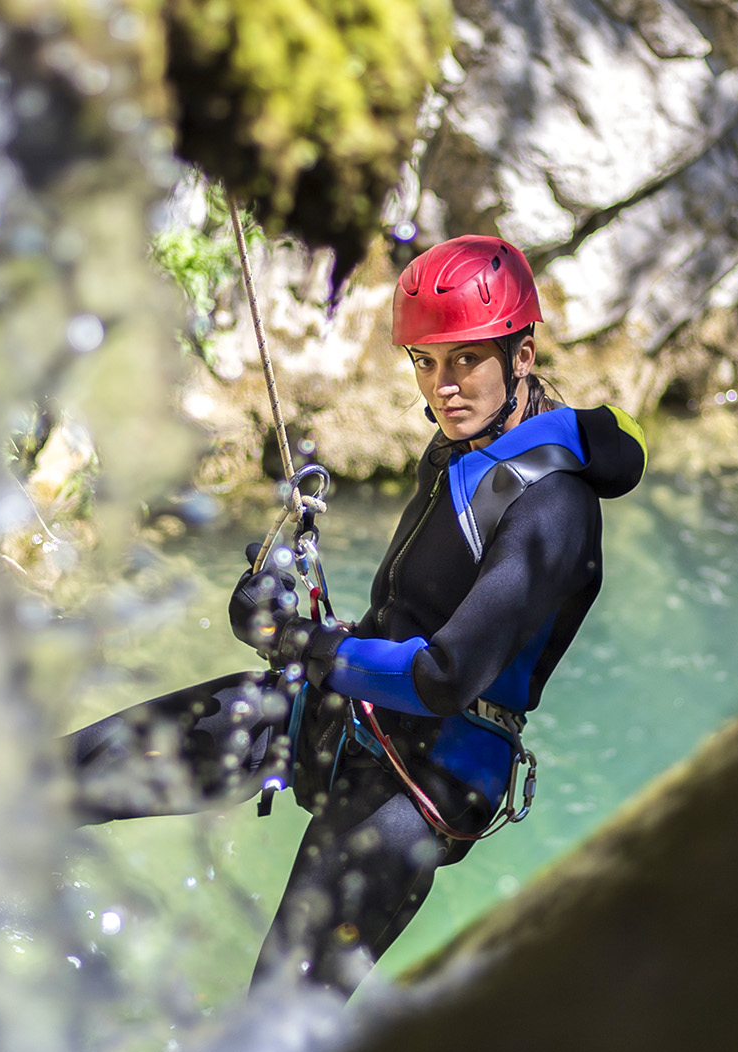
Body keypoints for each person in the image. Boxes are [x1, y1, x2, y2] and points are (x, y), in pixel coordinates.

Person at [65, 235, 648, 997]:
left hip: (421, 788)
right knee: (72, 774)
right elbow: (404, 621)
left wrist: (298, 641)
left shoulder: (553, 505)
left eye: (466, 358)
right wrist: (294, 613)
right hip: (350, 714)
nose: (443, 386)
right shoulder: (460, 449)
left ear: (523, 355)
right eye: (427, 361)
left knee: (274, 1022)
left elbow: (445, 676)